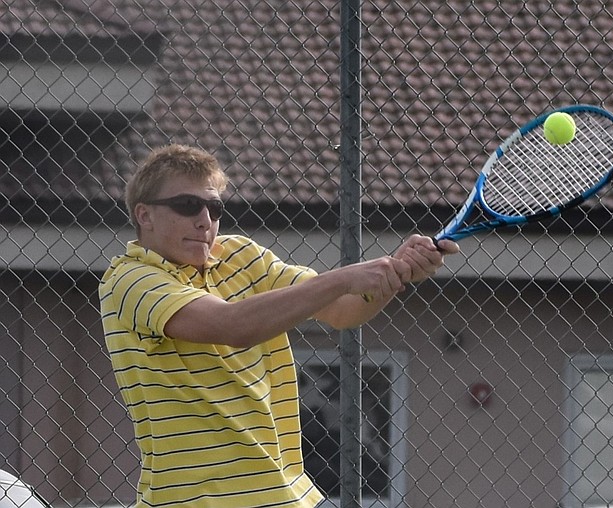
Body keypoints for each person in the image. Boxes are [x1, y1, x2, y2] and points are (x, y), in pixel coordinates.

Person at [99, 144, 459, 507]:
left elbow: (343, 311)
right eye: (188, 205)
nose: (205, 220)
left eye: (215, 207)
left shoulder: (241, 255)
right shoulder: (130, 279)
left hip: (285, 494)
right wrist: (344, 278)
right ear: (145, 215)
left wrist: (396, 273)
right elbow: (232, 325)